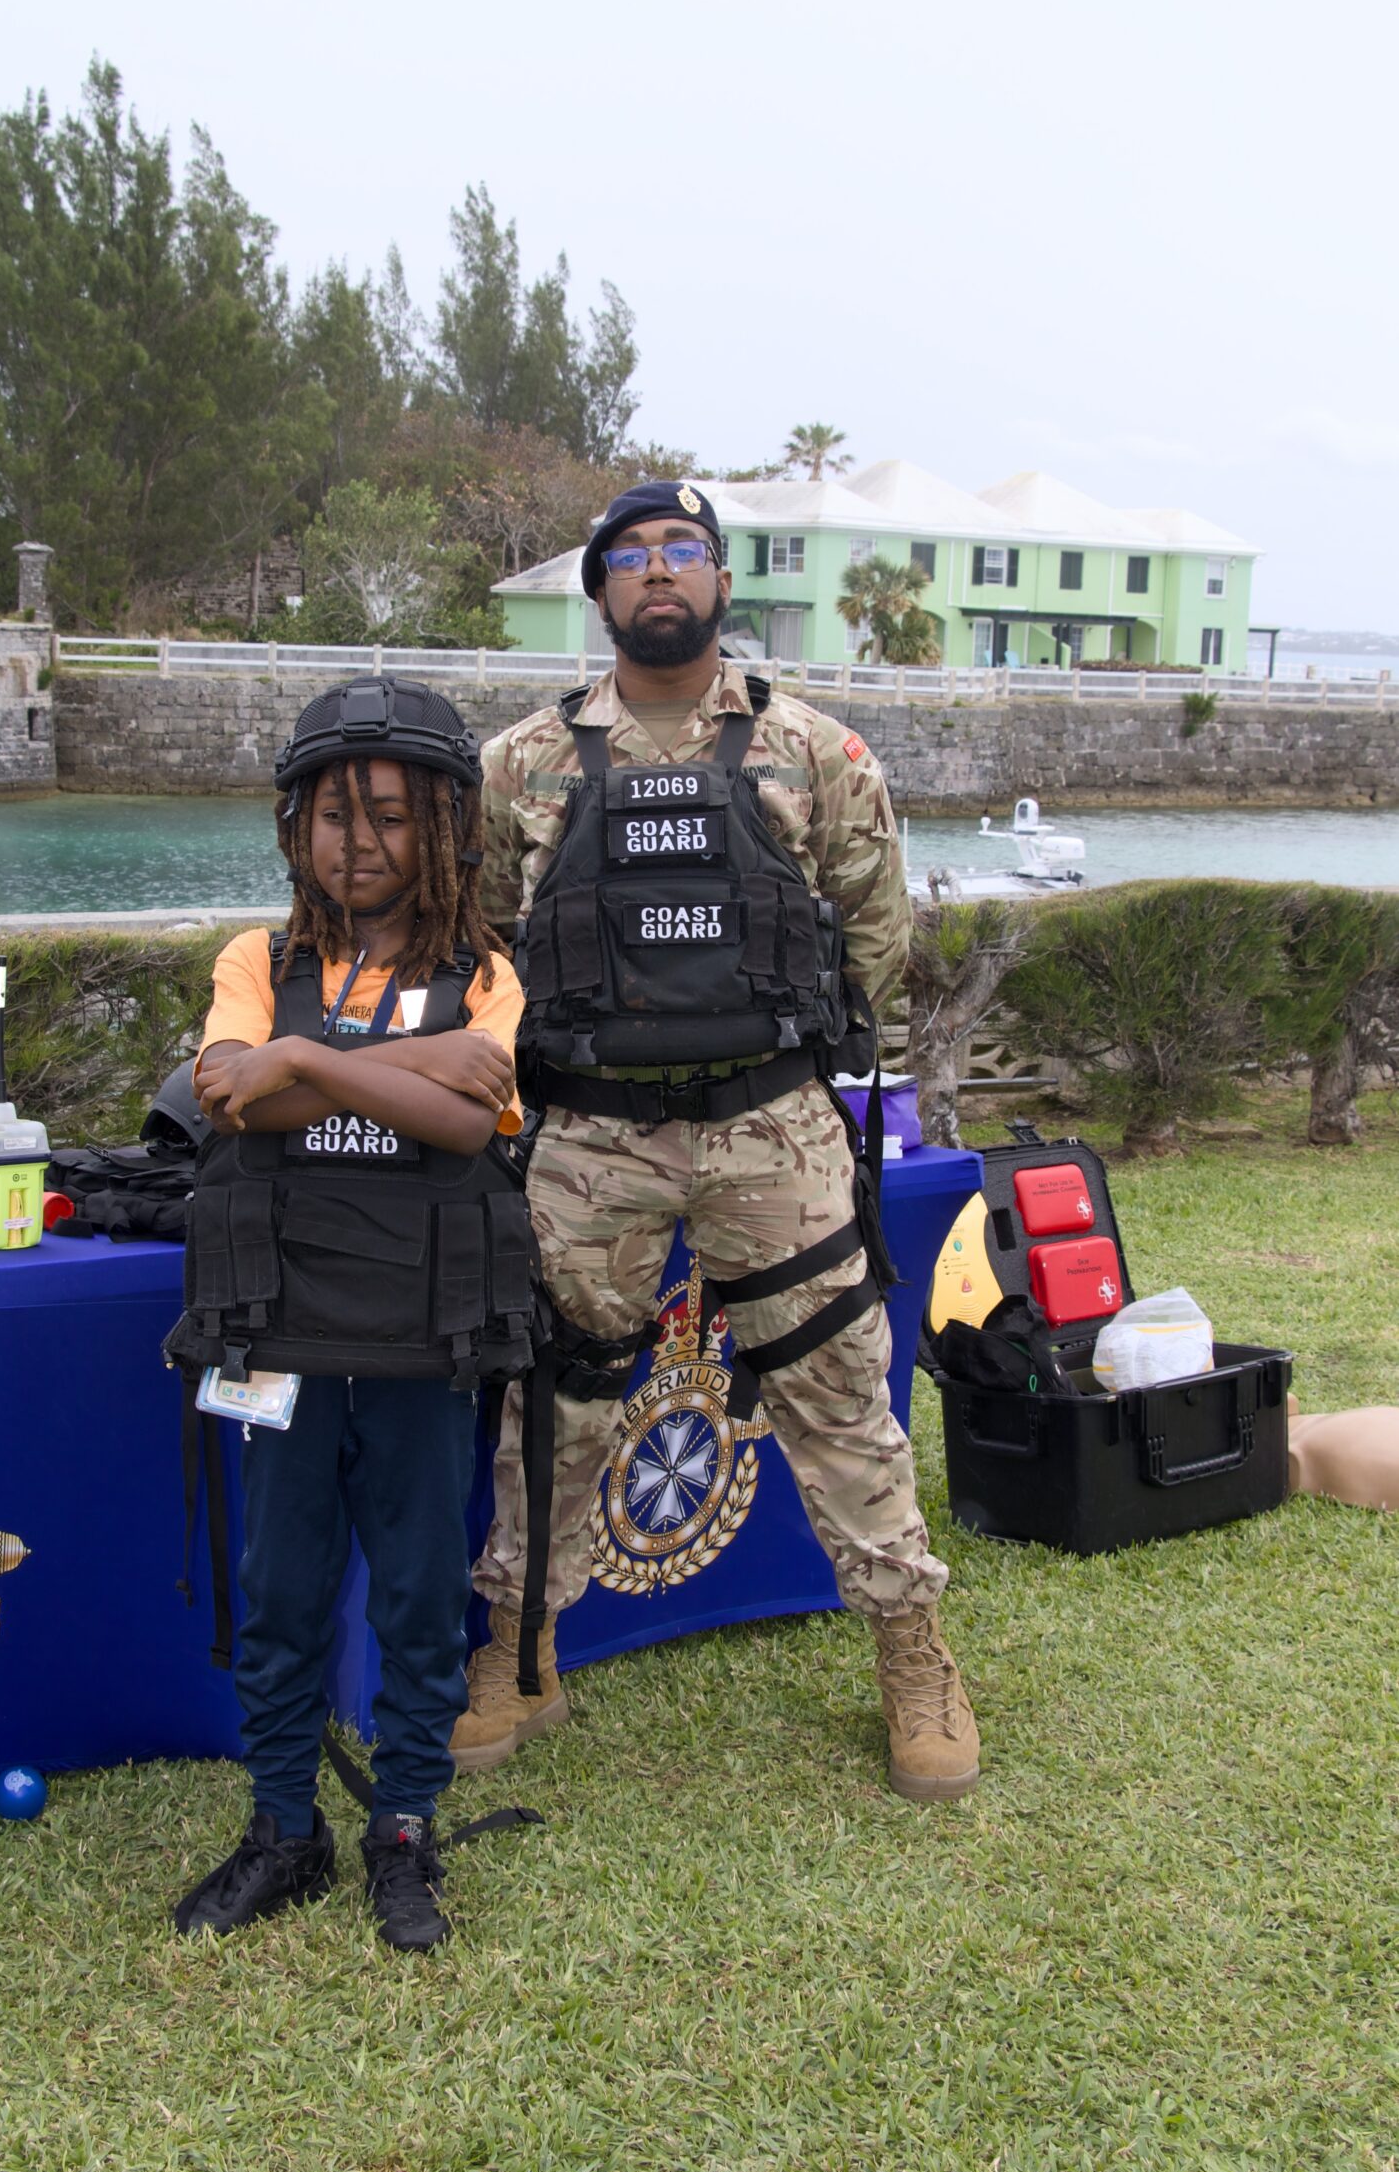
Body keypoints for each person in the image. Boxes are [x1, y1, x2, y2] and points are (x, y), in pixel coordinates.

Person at [452, 482, 980, 1800]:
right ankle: (520, 1648)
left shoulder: (815, 751)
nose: (656, 572)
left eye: (681, 550)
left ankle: (912, 1652)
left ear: (720, 581)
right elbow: (487, 937)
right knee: (554, 1397)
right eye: (628, 557)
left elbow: (875, 930)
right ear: (600, 592)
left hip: (770, 1128)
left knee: (838, 1393)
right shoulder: (521, 764)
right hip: (589, 1136)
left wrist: (789, 1054)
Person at [169, 678, 531, 1950]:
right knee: (279, 1583)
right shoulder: (255, 961)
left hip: (424, 1333)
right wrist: (392, 1069)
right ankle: (284, 1827)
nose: (360, 841)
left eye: (390, 813)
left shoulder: (484, 972)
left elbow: (465, 1124)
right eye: (334, 815)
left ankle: (405, 1830)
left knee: (421, 1590)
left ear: (446, 826)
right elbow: (230, 1094)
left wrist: (308, 1061)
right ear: (293, 828)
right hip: (280, 1327)